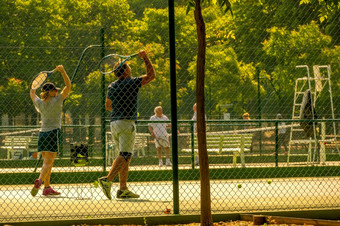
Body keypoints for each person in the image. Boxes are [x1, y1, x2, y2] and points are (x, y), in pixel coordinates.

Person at [98, 50, 155, 200]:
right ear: (124, 72)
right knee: (126, 154)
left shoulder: (111, 86)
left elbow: (108, 105)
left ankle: (123, 189)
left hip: (114, 122)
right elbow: (151, 76)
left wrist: (120, 108)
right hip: (126, 122)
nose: (131, 70)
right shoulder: (131, 82)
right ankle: (107, 180)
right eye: (129, 68)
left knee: (124, 156)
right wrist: (146, 59)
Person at [30, 65, 71, 197]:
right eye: (55, 90)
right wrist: (63, 72)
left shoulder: (39, 103)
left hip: (42, 134)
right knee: (49, 162)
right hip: (53, 133)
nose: (57, 92)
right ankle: (40, 181)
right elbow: (68, 86)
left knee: (47, 162)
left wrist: (37, 84)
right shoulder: (58, 100)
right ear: (53, 91)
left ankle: (47, 188)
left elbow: (32, 92)